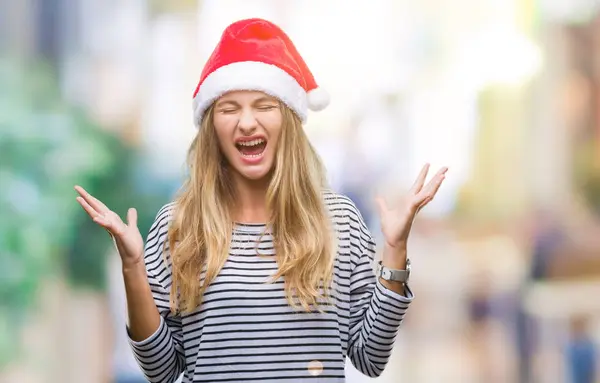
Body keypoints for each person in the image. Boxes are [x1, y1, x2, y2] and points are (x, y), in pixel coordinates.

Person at [75, 18, 447, 383]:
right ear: (211, 128)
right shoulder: (179, 226)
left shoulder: (340, 220)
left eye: (264, 106)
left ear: (288, 119)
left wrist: (396, 249)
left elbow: (370, 357)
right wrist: (133, 267)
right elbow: (161, 370)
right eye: (229, 108)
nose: (247, 122)